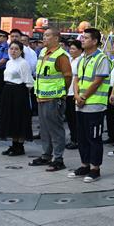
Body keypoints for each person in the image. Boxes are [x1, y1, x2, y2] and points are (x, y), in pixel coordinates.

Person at [69, 29, 111, 183]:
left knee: (94, 137)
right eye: (82, 37)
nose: (82, 40)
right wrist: (76, 95)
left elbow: (98, 81)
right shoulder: (82, 59)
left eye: (86, 38)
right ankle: (84, 165)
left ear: (94, 41)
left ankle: (95, 169)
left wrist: (84, 96)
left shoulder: (101, 58)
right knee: (82, 137)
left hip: (94, 105)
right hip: (80, 104)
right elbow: (76, 79)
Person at [30, 28, 72, 172]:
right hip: (41, 96)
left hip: (54, 98)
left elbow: (68, 76)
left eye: (47, 35)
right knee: (44, 128)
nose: (44, 38)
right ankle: (46, 155)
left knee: (55, 129)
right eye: (44, 35)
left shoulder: (61, 55)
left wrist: (62, 92)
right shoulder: (43, 52)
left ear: (56, 38)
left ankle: (58, 158)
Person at [0, 41, 35, 156]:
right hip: (7, 91)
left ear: (21, 51)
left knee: (19, 118)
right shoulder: (9, 62)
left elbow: (29, 82)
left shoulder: (23, 63)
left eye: (16, 49)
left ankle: (19, 146)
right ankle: (14, 145)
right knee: (10, 118)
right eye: (11, 48)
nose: (13, 51)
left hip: (19, 92)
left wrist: (23, 96)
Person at [65, 39, 83, 150]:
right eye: (70, 48)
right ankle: (73, 138)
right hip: (68, 92)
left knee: (75, 118)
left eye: (73, 49)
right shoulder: (70, 60)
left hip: (75, 93)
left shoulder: (81, 61)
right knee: (70, 118)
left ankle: (76, 140)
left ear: (80, 50)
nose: (71, 50)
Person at [103, 41, 114, 146]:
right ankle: (111, 135)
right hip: (109, 89)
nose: (112, 50)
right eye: (112, 48)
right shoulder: (113, 61)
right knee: (109, 114)